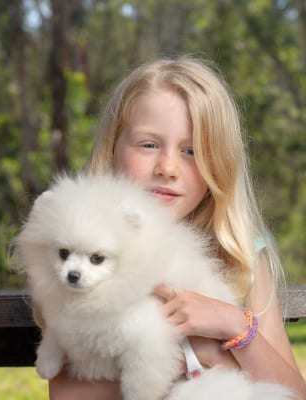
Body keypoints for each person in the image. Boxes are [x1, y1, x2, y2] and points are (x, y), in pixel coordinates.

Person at [49, 57, 306, 399]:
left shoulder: (239, 250)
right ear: (113, 149)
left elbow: (293, 394)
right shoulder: (83, 249)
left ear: (219, 164)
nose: (168, 167)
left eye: (191, 150)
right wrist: (179, 351)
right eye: (149, 145)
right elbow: (68, 395)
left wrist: (230, 327)